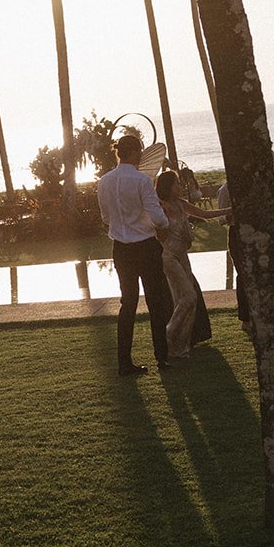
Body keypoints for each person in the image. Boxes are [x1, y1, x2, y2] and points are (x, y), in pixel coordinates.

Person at [97, 135, 175, 376]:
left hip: (121, 250)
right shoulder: (142, 180)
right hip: (146, 247)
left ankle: (124, 362)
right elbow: (158, 216)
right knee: (156, 302)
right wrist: (162, 224)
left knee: (128, 304)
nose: (142, 154)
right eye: (139, 150)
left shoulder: (104, 181)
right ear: (133, 152)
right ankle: (162, 357)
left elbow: (106, 218)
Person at [156, 169, 229, 359]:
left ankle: (181, 346)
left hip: (183, 256)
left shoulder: (181, 204)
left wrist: (229, 210)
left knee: (189, 300)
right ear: (168, 187)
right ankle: (169, 333)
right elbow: (159, 235)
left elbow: (205, 214)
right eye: (176, 183)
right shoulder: (160, 207)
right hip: (169, 258)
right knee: (188, 297)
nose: (179, 186)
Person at [216, 182, 253, 333]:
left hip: (254, 230)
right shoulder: (225, 190)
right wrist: (232, 213)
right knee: (243, 275)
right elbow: (221, 218)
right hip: (236, 231)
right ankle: (246, 318)